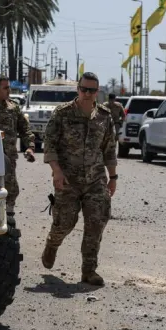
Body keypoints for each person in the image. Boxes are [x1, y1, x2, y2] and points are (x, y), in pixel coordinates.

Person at [40, 72, 117, 286]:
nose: (87, 93)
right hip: (68, 180)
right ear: (78, 89)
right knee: (65, 222)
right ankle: (52, 244)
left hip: (95, 180)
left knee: (96, 223)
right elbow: (50, 145)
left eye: (92, 90)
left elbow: (109, 149)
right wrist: (56, 171)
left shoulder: (104, 116)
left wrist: (113, 177)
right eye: (84, 89)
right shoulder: (62, 113)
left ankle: (89, 271)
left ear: (97, 92)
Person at [0, 76, 36, 226]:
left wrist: (29, 146)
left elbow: (24, 129)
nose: (9, 91)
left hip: (8, 157)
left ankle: (9, 216)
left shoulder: (13, 108)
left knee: (11, 187)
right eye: (6, 88)